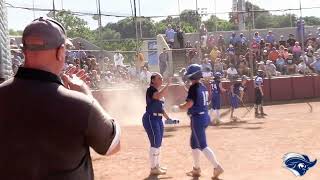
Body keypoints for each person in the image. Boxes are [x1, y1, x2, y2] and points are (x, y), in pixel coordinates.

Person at [0, 17, 120, 179]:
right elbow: (112, 145)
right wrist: (86, 95)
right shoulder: (80, 104)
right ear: (60, 51)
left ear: (24, 50)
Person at [177, 64, 224, 179]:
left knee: (202, 145)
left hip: (197, 119)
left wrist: (179, 107)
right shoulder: (202, 86)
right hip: (204, 117)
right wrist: (186, 89)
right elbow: (195, 95)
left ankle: (217, 166)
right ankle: (196, 169)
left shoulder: (194, 88)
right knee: (194, 143)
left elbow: (189, 104)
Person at [142, 73, 173, 175]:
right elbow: (158, 96)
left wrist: (168, 119)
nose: (161, 80)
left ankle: (157, 165)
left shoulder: (157, 91)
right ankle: (153, 168)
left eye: (162, 78)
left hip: (158, 118)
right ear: (153, 80)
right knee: (155, 143)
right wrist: (168, 85)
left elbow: (161, 109)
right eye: (159, 78)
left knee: (158, 143)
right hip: (151, 118)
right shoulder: (151, 89)